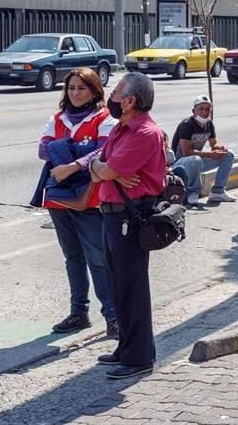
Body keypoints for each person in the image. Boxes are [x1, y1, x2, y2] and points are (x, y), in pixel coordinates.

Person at [90, 72, 166, 380]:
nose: (112, 96)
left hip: (130, 216)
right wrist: (105, 169)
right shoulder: (121, 128)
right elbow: (98, 166)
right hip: (112, 215)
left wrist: (107, 171)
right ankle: (126, 347)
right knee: (117, 285)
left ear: (131, 100)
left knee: (131, 287)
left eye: (117, 92)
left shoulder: (144, 132)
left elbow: (106, 170)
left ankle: (139, 358)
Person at [32, 68, 117, 338]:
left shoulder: (105, 118)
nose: (75, 93)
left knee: (98, 259)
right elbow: (43, 150)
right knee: (73, 258)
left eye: (81, 88)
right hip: (59, 198)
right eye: (71, 88)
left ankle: (113, 316)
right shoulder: (57, 118)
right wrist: (82, 151)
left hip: (89, 200)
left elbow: (104, 151)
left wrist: (72, 164)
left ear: (94, 91)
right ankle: (79, 312)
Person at [170, 95, 236, 205]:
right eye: (201, 109)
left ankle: (218, 191)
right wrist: (211, 154)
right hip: (180, 164)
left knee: (229, 155)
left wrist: (220, 148)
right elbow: (186, 152)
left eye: (207, 109)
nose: (204, 112)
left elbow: (213, 143)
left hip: (197, 161)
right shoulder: (187, 124)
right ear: (194, 111)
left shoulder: (209, 123)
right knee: (195, 159)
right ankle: (192, 192)